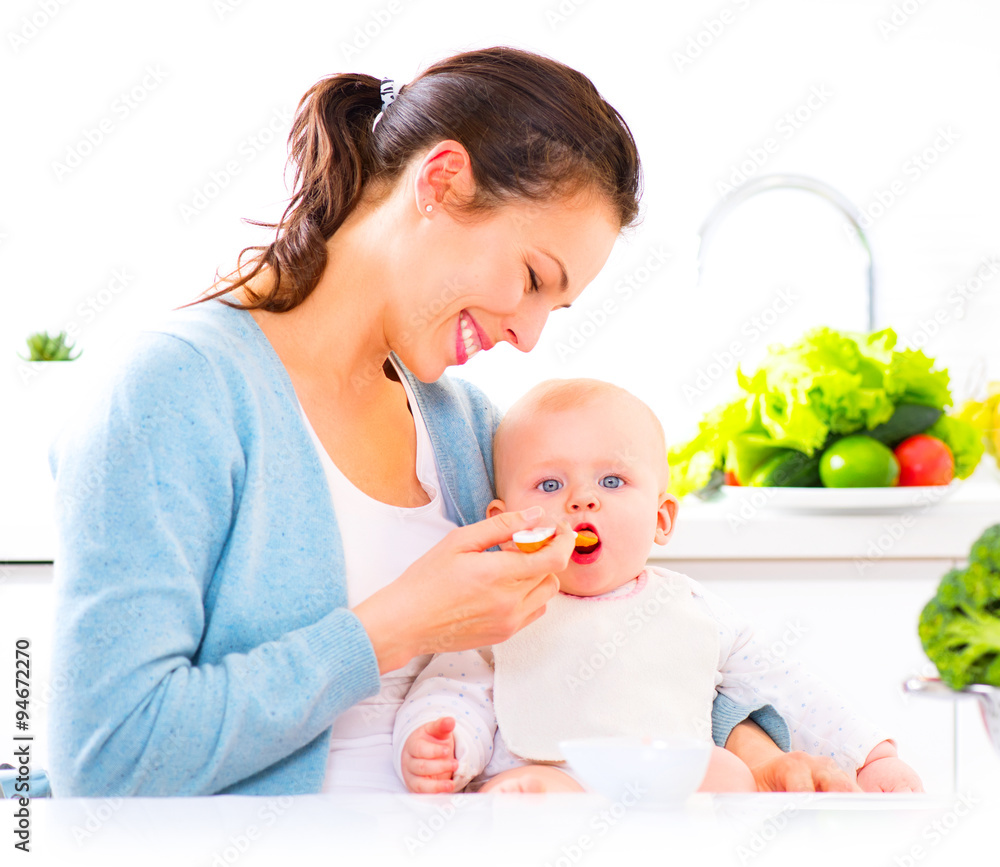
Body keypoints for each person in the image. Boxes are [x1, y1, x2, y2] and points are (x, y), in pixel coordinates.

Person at [48, 46, 848, 798]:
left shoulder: (464, 431)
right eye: (533, 277)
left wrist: (761, 751)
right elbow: (106, 756)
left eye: (555, 307)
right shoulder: (173, 390)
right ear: (442, 181)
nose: (528, 335)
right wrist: (395, 626)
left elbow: (612, 640)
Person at [394, 379, 926, 794]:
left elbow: (786, 685)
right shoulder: (498, 610)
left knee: (726, 773)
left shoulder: (692, 609)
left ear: (661, 519)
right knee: (520, 790)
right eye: (550, 485)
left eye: (612, 481)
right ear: (507, 522)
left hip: (671, 793)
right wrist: (441, 746)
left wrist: (869, 754)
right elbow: (452, 688)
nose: (582, 500)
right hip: (556, 781)